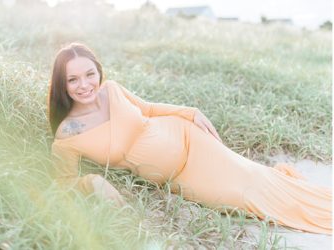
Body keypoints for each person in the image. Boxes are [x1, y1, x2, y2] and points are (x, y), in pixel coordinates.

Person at [47, 43, 332, 235]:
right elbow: (62, 183)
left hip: (190, 140)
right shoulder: (68, 134)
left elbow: (148, 109)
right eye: (73, 80)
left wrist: (190, 112)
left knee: (255, 177)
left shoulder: (112, 90)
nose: (85, 85)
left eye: (89, 74)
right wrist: (93, 182)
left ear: (99, 72)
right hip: (177, 176)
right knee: (243, 197)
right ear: (62, 84)